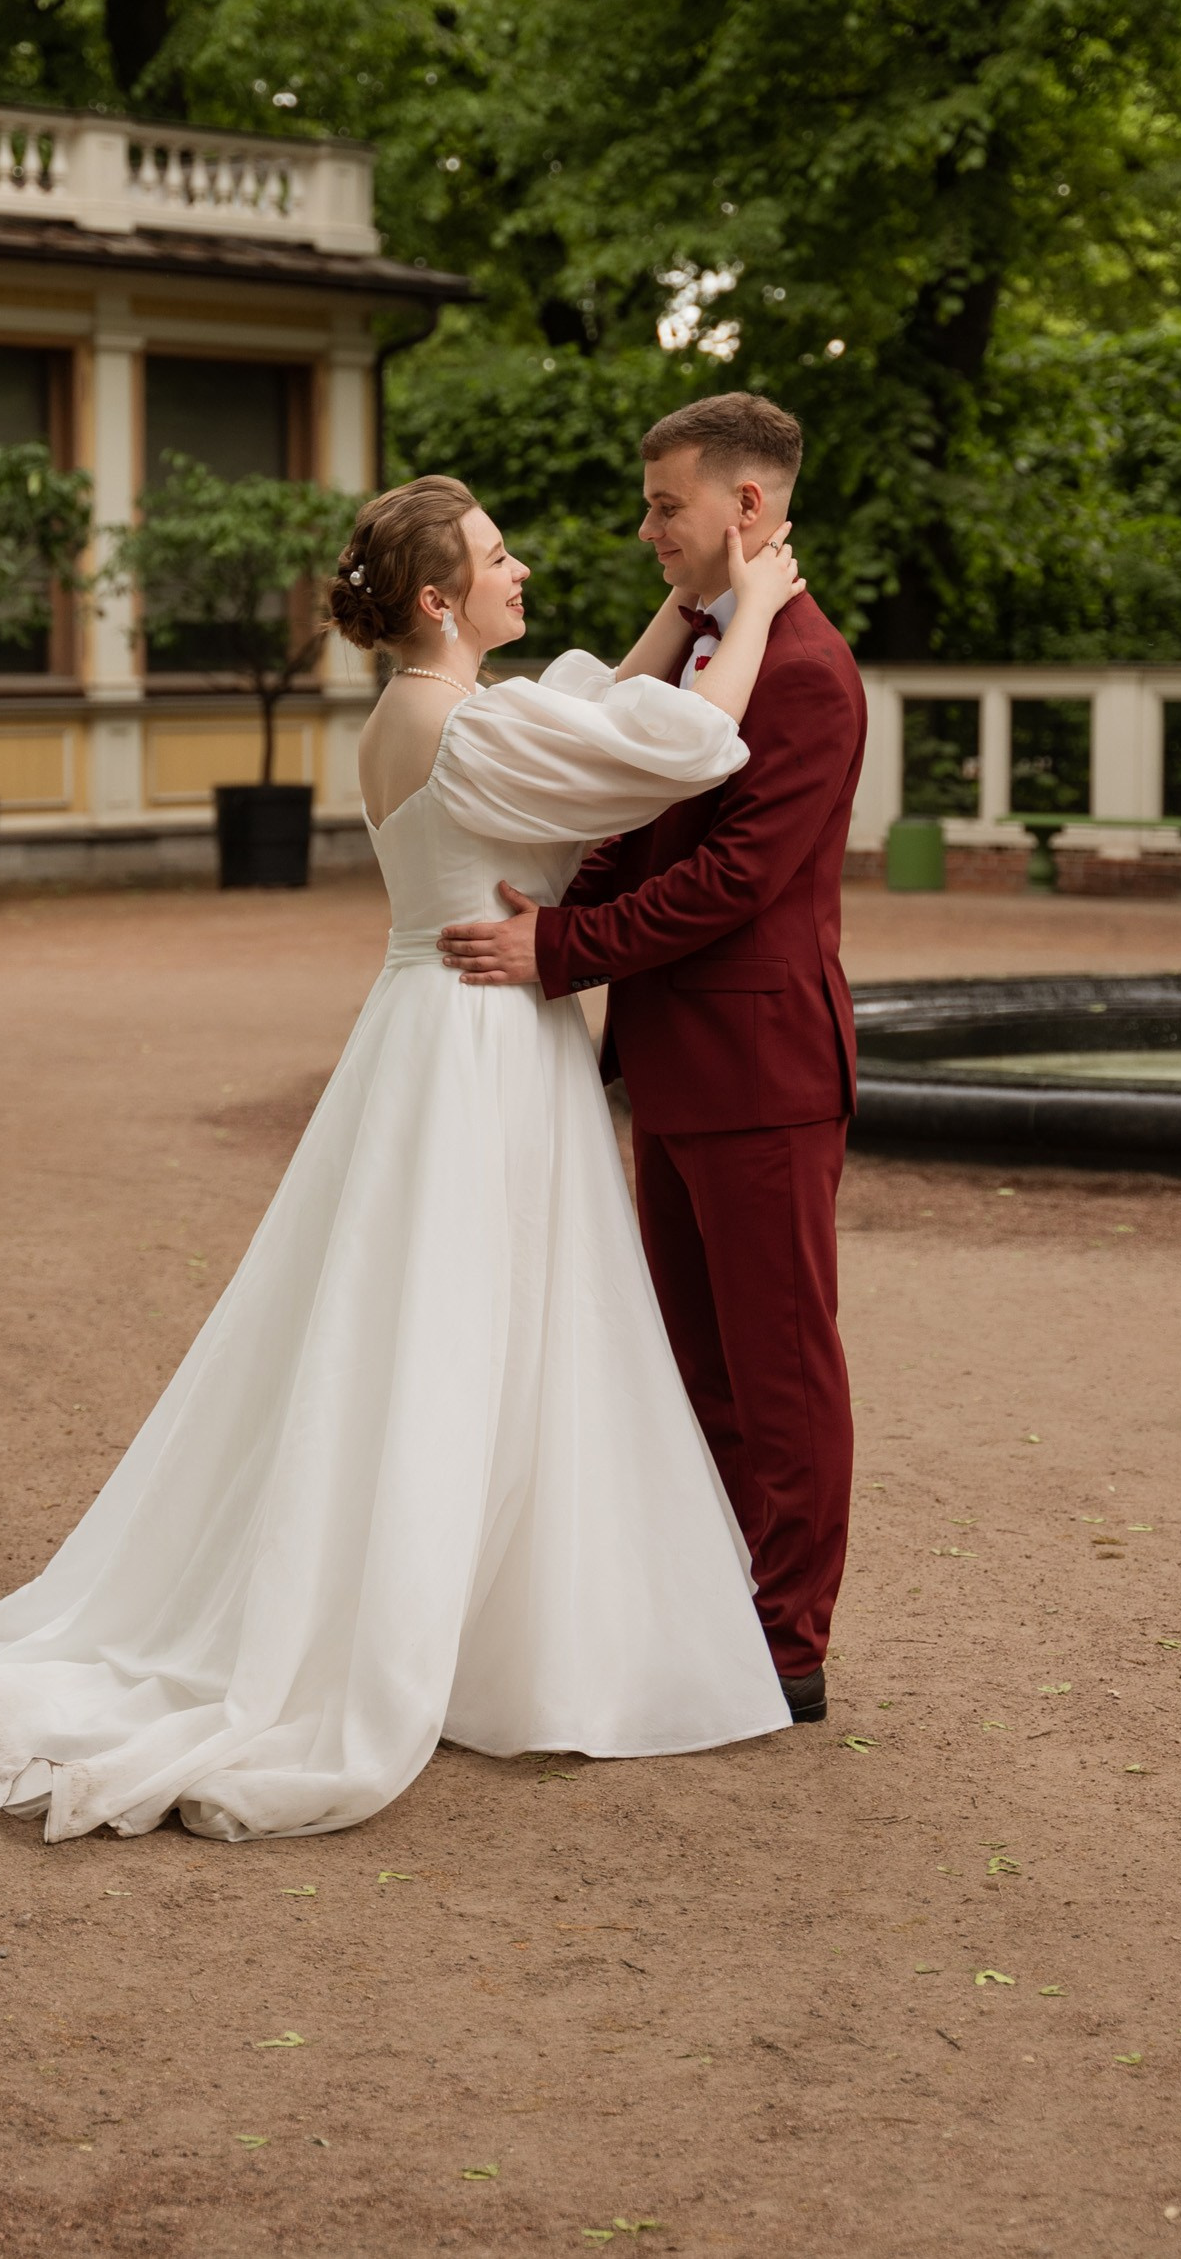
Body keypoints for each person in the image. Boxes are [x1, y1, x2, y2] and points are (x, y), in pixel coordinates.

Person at [0, 476, 809, 1843]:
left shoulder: (431, 714)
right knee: (453, 1332)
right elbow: (674, 749)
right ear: (439, 600)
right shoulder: (467, 726)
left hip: (445, 1031)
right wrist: (756, 609)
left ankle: (475, 1617)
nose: (525, 573)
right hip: (476, 1044)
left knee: (445, 1329)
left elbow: (595, 716)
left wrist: (683, 607)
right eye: (500, 559)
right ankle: (437, 1631)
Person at [439, 396, 867, 1725]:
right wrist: (566, 898)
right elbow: (635, 811)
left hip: (763, 1075)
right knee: (694, 1367)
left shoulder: (801, 670)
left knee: (779, 1368)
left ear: (745, 508)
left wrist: (565, 948)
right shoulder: (711, 650)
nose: (646, 532)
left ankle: (789, 1644)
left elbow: (739, 879)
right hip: (679, 1066)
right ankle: (714, 1612)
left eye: (666, 505)